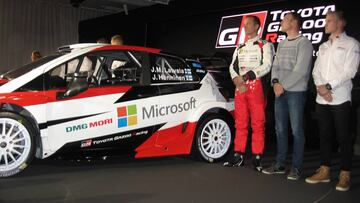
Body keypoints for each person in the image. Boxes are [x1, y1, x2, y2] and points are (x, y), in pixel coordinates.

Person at [305, 11, 360, 191]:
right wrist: (322, 88)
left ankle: (345, 174)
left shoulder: (351, 44)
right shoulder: (323, 46)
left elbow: (349, 71)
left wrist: (328, 87)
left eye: (329, 20)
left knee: (343, 137)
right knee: (325, 136)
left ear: (340, 23)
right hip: (322, 99)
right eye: (325, 20)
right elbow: (316, 71)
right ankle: (325, 170)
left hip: (341, 98)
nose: (325, 23)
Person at [261, 12, 313, 180]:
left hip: (295, 93)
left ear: (293, 22)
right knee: (280, 129)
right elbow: (275, 66)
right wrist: (275, 82)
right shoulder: (282, 44)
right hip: (279, 91)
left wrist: (282, 86)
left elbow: (301, 70)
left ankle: (296, 167)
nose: (281, 22)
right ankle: (280, 164)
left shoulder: (304, 43)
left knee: (297, 130)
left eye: (284, 20)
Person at [223, 15, 275, 172]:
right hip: (240, 88)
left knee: (258, 123)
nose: (245, 27)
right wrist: (237, 80)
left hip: (256, 87)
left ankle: (257, 157)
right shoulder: (240, 47)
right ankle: (238, 155)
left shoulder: (265, 45)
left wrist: (245, 78)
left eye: (248, 24)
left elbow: (267, 65)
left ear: (257, 26)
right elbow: (232, 66)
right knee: (240, 123)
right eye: (244, 25)